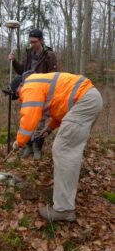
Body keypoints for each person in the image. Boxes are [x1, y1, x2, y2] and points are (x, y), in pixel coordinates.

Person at [10, 72, 103, 222]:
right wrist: (50, 127)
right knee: (70, 150)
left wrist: (19, 142)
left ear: (20, 85)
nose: (20, 98)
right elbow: (62, 106)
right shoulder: (40, 83)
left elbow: (29, 119)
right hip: (89, 99)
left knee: (63, 150)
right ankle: (65, 198)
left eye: (17, 94)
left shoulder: (30, 85)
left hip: (85, 101)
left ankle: (64, 209)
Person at [8, 29, 57, 160]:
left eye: (34, 41)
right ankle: (28, 146)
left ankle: (37, 148)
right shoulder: (29, 53)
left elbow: (53, 76)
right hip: (28, 91)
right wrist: (14, 61)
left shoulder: (49, 55)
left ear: (41, 40)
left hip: (42, 92)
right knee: (28, 120)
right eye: (30, 41)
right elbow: (21, 71)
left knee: (40, 122)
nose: (32, 44)